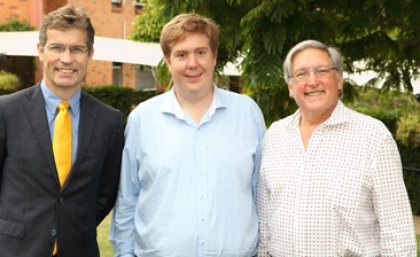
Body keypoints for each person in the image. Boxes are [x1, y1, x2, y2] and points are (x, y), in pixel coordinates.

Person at [110, 13, 266, 257]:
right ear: (168, 62)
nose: (192, 63)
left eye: (201, 52)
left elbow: (262, 194)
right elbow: (127, 199)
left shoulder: (248, 114)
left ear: (214, 56)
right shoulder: (142, 119)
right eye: (181, 54)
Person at [256, 39, 417, 256]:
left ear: (339, 80)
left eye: (321, 70)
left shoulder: (374, 137)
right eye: (301, 74)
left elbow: (397, 233)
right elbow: (266, 225)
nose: (312, 81)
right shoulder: (275, 135)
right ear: (291, 88)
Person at [0, 5, 124, 257]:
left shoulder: (109, 121)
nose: (66, 59)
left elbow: (106, 192)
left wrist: (71, 226)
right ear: (40, 51)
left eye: (76, 49)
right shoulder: (6, 111)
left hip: (79, 249)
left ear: (90, 55)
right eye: (57, 47)